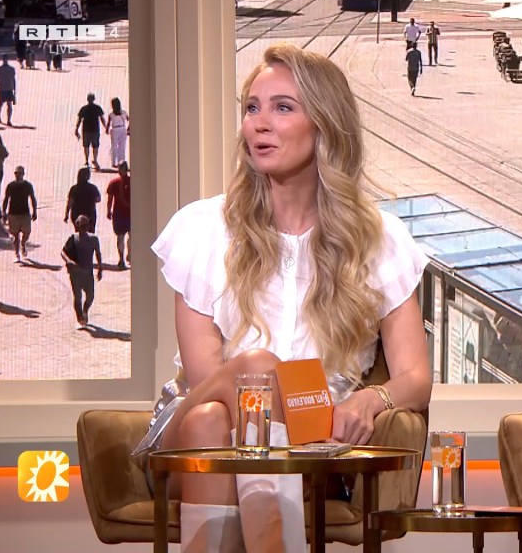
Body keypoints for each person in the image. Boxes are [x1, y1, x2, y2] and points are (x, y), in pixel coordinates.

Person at [137, 42, 431, 553]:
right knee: (246, 379)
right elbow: (207, 381)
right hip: (193, 430)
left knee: (215, 424)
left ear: (325, 125)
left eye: (282, 108)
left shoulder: (379, 238)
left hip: (317, 449)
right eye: (252, 107)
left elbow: (415, 379)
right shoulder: (204, 228)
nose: (259, 123)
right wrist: (282, 401)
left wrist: (371, 398)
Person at [61, 214, 103, 328]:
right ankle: (80, 318)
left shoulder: (93, 239)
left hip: (88, 273)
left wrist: (100, 268)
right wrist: (69, 261)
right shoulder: (73, 238)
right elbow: (63, 252)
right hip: (75, 273)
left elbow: (98, 253)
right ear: (77, 226)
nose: (83, 228)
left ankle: (85, 310)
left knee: (90, 296)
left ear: (88, 226)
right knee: (77, 296)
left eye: (85, 225)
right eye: (81, 226)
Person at [2, 165, 38, 263]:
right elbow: (6, 199)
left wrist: (35, 211)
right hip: (13, 213)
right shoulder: (11, 186)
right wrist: (4, 212)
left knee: (27, 232)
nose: (18, 175)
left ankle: (23, 243)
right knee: (15, 235)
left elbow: (32, 198)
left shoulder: (28, 185)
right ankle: (16, 253)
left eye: (20, 173)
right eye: (17, 173)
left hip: (25, 213)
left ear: (23, 174)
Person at [105, 161, 131, 268]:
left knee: (120, 237)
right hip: (130, 213)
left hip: (118, 214)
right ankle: (130, 254)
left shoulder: (114, 182)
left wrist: (108, 211)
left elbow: (110, 199)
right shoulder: (132, 181)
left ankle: (121, 259)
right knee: (131, 236)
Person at [64, 166, 102, 232]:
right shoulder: (92, 188)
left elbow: (70, 202)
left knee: (78, 232)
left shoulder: (74, 188)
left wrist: (66, 214)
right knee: (90, 233)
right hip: (90, 213)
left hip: (76, 213)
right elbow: (98, 199)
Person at [75, 93, 106, 169]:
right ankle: (95, 160)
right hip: (95, 130)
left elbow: (79, 120)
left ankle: (86, 160)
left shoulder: (83, 108)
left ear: (87, 99)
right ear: (94, 99)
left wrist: (76, 129)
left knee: (86, 146)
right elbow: (102, 118)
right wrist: (106, 127)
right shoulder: (98, 108)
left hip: (86, 130)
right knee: (95, 146)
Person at [0, 55, 17, 126]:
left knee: (9, 105)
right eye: (4, 59)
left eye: (6, 59)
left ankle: (9, 120)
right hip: (2, 89)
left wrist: (14, 91)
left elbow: (14, 80)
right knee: (0, 104)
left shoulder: (11, 69)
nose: (5, 60)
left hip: (9, 89)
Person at [104, 97, 130, 169]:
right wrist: (128, 128)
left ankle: (114, 162)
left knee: (114, 146)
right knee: (122, 147)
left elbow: (108, 123)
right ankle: (121, 161)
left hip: (115, 129)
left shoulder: (111, 114)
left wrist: (107, 130)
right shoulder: (124, 112)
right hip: (122, 129)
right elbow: (129, 120)